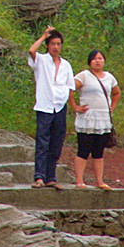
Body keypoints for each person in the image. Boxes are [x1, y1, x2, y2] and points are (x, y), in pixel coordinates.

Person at [28, 26, 75, 189]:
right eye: (53, 43)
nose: (56, 47)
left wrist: (73, 106)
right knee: (42, 141)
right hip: (44, 105)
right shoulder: (41, 60)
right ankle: (39, 176)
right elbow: (31, 50)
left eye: (58, 44)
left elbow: (70, 88)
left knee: (56, 142)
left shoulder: (66, 65)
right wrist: (43, 36)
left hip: (60, 106)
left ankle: (51, 177)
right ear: (48, 45)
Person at [69, 49, 121, 190]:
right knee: (84, 149)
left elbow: (116, 93)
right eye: (94, 59)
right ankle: (79, 181)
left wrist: (112, 106)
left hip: (103, 119)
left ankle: (100, 181)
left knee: (99, 151)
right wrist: (75, 106)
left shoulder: (109, 77)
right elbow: (69, 89)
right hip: (87, 118)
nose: (97, 61)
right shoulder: (84, 76)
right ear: (90, 61)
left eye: (100, 58)